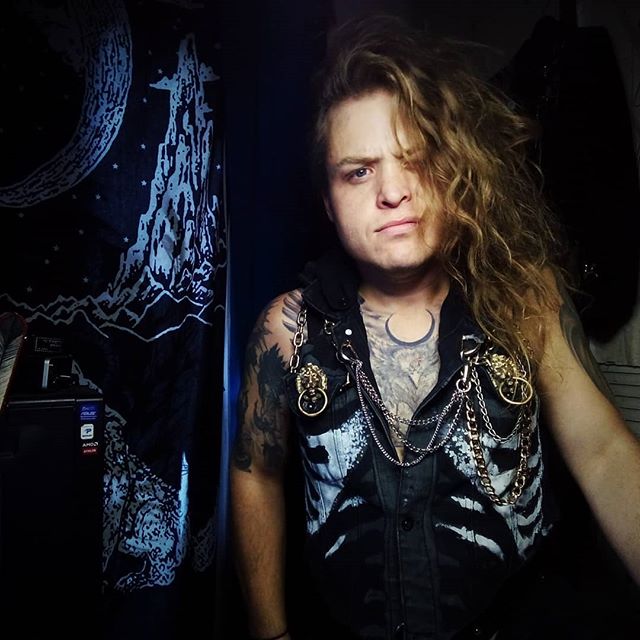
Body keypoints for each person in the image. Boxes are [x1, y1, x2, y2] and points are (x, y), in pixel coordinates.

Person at [230, 14, 640, 640]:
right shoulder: (285, 331)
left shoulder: (522, 298)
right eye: (359, 171)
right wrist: (270, 633)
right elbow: (255, 473)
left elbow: (604, 453)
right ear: (327, 201)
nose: (392, 191)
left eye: (415, 159)